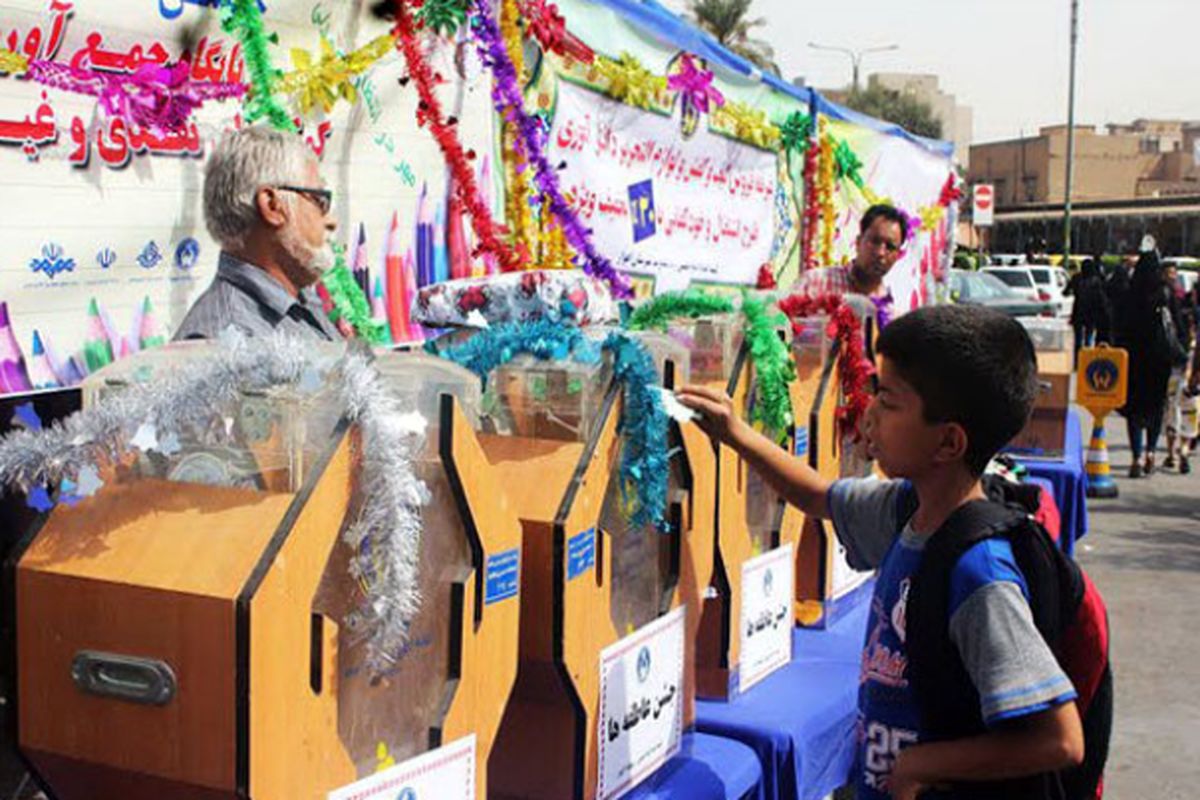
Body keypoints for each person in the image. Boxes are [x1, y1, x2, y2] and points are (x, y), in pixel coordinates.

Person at [678, 306, 1083, 800]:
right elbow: (817, 497)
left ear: (949, 442)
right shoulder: (908, 509)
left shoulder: (979, 572)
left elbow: (1059, 739)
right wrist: (734, 433)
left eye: (889, 401)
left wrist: (919, 765)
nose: (869, 412)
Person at [174, 126, 343, 342]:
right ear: (273, 206)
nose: (331, 221)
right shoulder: (228, 340)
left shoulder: (298, 300)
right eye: (320, 201)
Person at [1119, 253, 1185, 477]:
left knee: (1135, 410)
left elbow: (1118, 326)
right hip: (1160, 361)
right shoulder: (1165, 294)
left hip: (1134, 360)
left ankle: (1136, 456)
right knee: (1156, 408)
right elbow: (1178, 326)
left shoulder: (1129, 294)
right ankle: (1150, 453)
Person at [792, 204, 908, 300]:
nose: (880, 253)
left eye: (890, 247)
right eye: (875, 241)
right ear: (858, 242)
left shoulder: (889, 310)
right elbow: (780, 325)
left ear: (897, 255)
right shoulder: (816, 283)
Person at [1065, 259, 1110, 361]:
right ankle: (1087, 358)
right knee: (1089, 336)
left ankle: (1077, 360)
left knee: (1078, 339)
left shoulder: (1076, 278)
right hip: (1091, 313)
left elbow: (1066, 291)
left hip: (1078, 312)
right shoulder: (1096, 280)